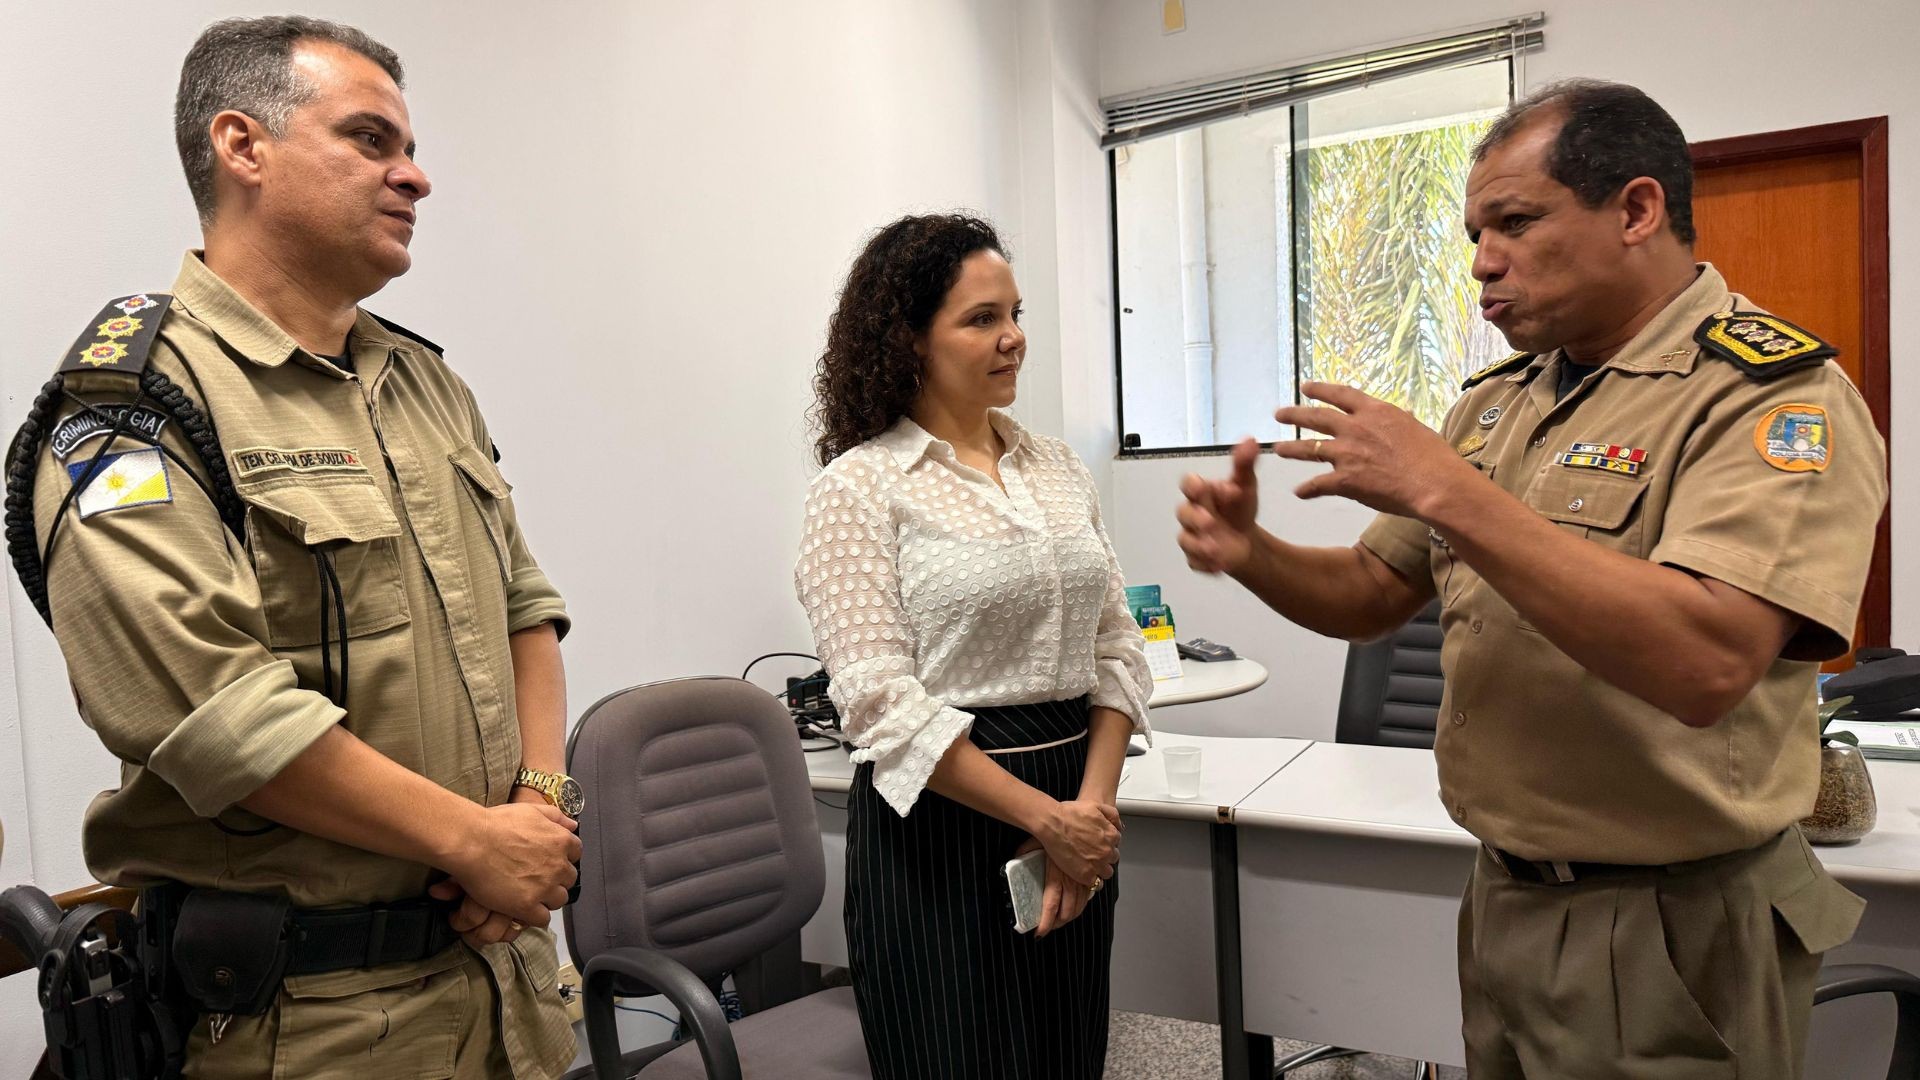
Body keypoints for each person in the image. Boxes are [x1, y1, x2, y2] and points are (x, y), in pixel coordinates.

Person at [1176, 79, 1886, 1078]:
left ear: (1637, 210)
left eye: (1515, 222)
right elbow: (1372, 598)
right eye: (1475, 231)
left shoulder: (1771, 401)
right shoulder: (1496, 406)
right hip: (1504, 899)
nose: (1482, 262)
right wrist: (1254, 556)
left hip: (1671, 922)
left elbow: (1707, 659)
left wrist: (1447, 490)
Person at [6, 17, 582, 1077]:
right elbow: (221, 718)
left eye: (408, 149)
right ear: (243, 146)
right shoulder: (134, 405)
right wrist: (477, 845)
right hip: (306, 1023)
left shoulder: (422, 382)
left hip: (502, 981)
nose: (414, 178)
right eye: (371, 140)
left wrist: (538, 810)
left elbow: (523, 606)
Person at [795, 213, 1153, 1079]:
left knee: (1068, 1056)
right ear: (908, 339)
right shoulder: (861, 486)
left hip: (1076, 802)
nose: (1014, 338)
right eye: (981, 319)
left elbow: (1115, 648)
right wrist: (1044, 820)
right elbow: (879, 700)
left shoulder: (1057, 468)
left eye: (1016, 313)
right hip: (942, 827)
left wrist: (1089, 816)